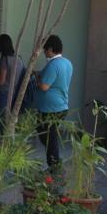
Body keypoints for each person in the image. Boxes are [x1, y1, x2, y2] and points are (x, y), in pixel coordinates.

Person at [34, 35, 73, 168]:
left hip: (49, 108)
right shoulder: (67, 63)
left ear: (51, 49)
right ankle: (55, 164)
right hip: (62, 106)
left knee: (48, 137)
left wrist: (37, 79)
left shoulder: (53, 64)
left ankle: (54, 166)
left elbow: (44, 86)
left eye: (45, 50)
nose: (44, 52)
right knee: (50, 136)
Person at [0, 34, 24, 135]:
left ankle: (5, 147)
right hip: (15, 94)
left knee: (3, 124)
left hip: (4, 95)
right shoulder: (19, 58)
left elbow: (1, 81)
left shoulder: (4, 60)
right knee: (11, 123)